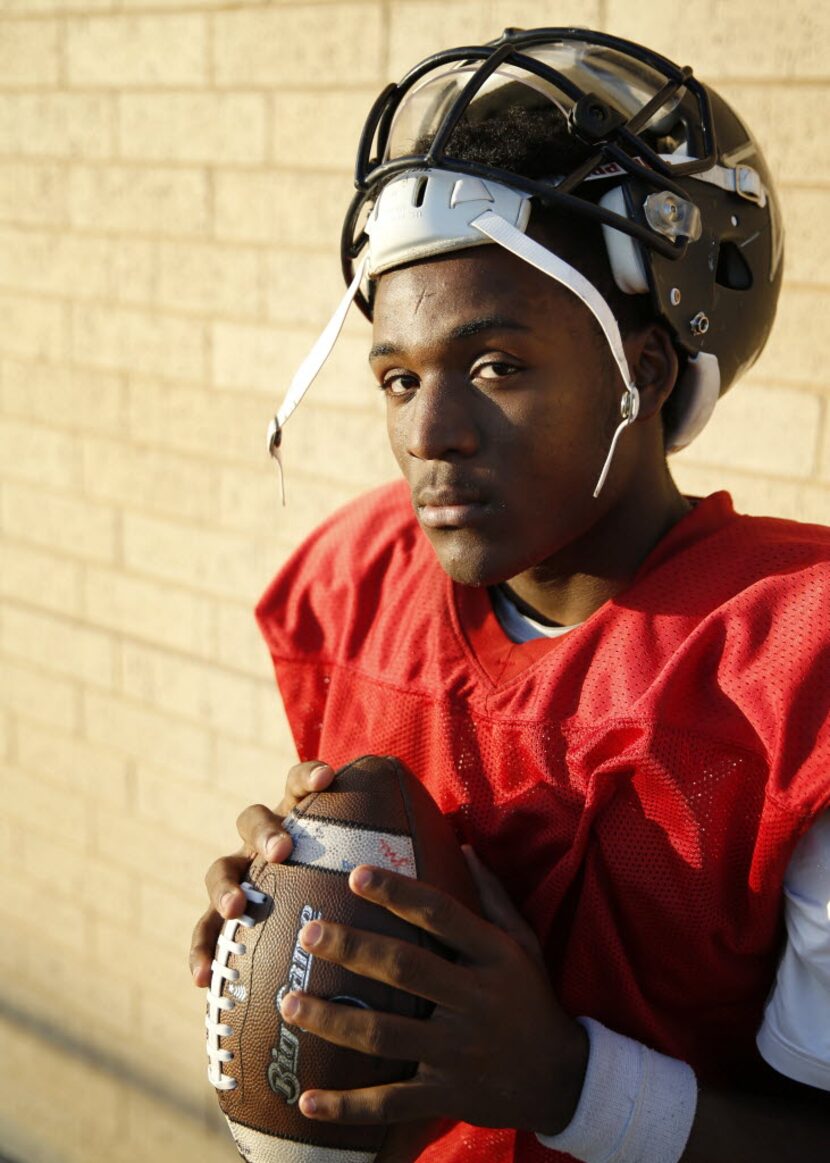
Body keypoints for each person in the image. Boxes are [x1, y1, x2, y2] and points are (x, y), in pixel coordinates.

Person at [190, 27, 830, 1162]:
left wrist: (560, 1077)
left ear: (642, 370)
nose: (428, 435)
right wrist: (291, 937)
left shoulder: (791, 663)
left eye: (496, 366)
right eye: (398, 377)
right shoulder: (362, 575)